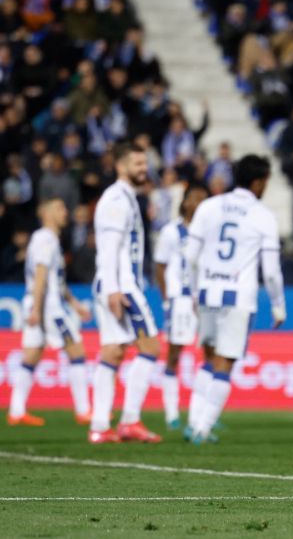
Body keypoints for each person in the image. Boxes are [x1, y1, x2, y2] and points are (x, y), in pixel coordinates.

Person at [183, 155, 286, 444]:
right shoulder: (262, 215)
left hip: (206, 291)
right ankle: (202, 429)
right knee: (225, 363)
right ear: (257, 182)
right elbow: (272, 271)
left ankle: (194, 422)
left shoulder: (208, 206)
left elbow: (190, 257)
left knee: (208, 359)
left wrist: (193, 291)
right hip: (238, 296)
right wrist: (278, 305)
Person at [89, 141, 163, 443]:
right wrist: (113, 289)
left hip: (116, 284)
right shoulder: (117, 199)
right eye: (137, 164)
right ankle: (130, 421)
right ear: (120, 165)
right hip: (123, 286)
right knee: (151, 348)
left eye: (144, 163)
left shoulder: (128, 197)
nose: (143, 169)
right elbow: (109, 247)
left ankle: (99, 426)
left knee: (114, 351)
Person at [8, 199, 92, 426]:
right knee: (76, 349)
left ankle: (16, 411)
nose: (65, 212)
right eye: (59, 208)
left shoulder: (46, 238)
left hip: (41, 303)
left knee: (32, 355)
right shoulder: (46, 238)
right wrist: (37, 309)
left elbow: (56, 280)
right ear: (45, 213)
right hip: (48, 307)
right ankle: (84, 410)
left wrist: (74, 304)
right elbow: (41, 274)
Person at [153, 182, 209, 430]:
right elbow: (160, 266)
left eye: (204, 199)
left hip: (204, 299)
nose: (200, 203)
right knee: (174, 354)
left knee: (209, 354)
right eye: (196, 198)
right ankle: (172, 413)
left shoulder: (208, 232)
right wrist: (168, 298)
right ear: (185, 202)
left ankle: (203, 415)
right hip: (180, 299)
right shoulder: (171, 232)